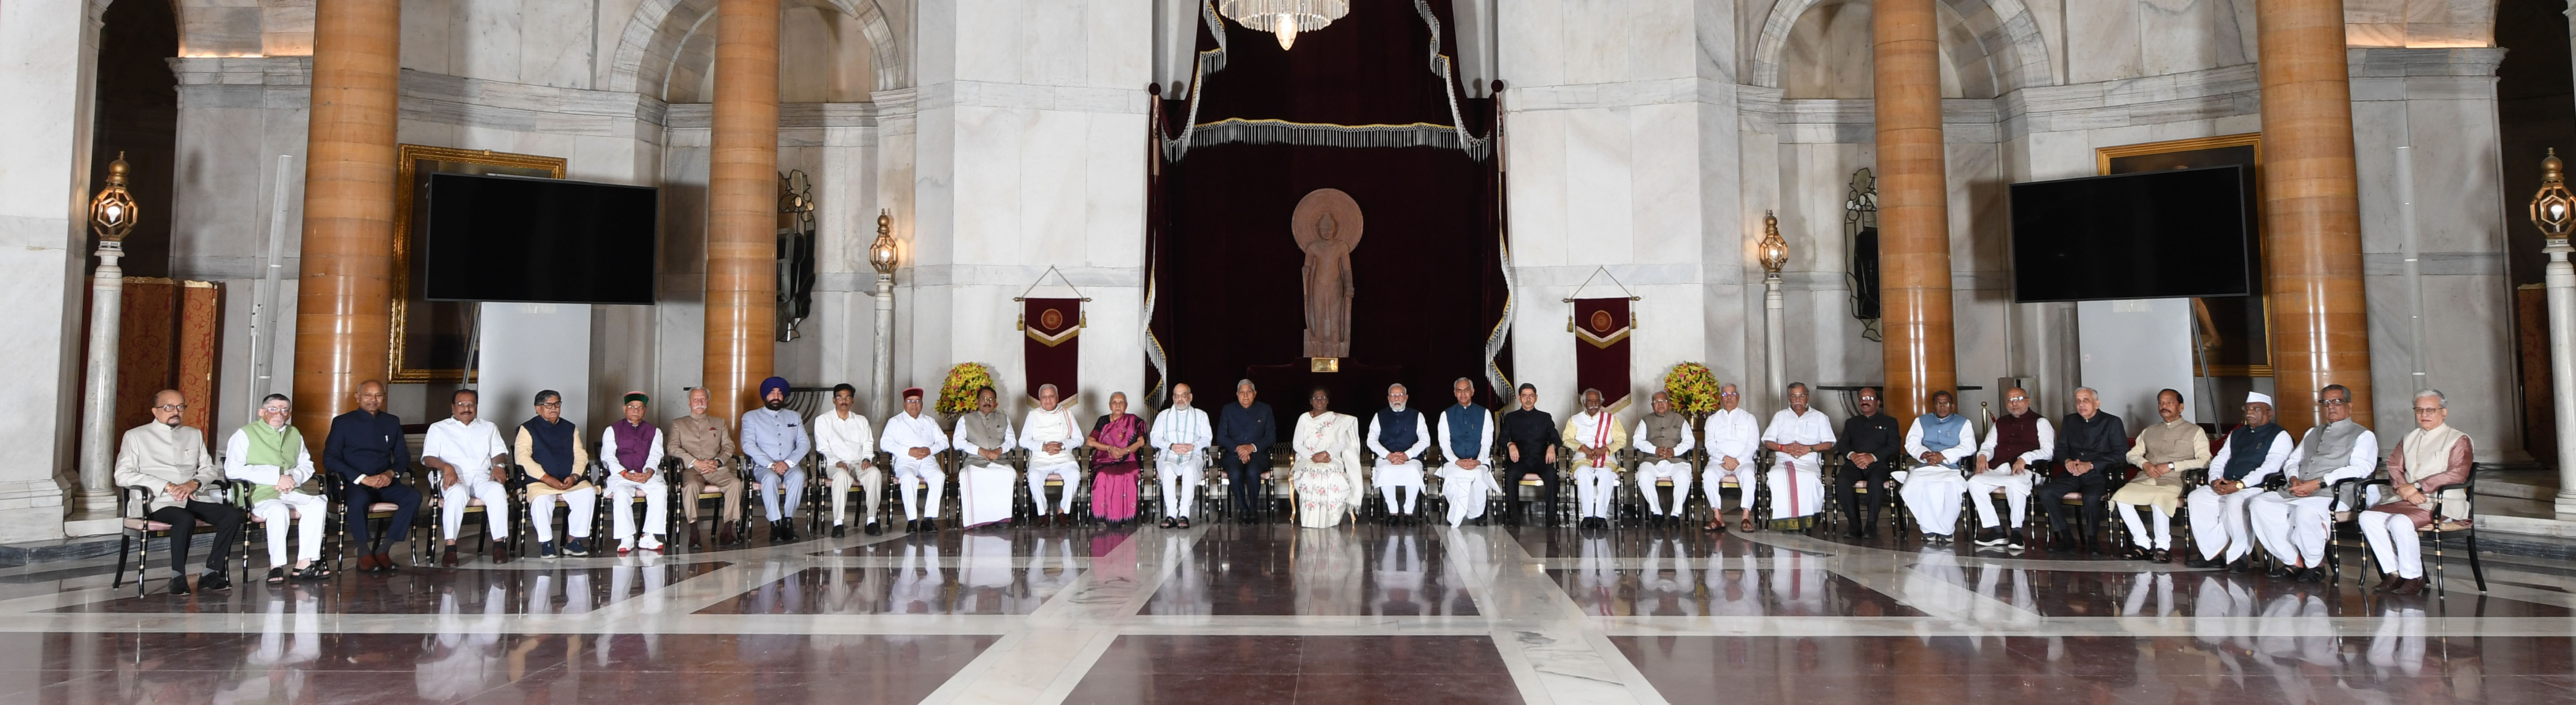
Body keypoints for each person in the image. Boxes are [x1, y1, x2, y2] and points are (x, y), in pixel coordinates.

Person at [117, 389, 241, 594]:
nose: (176, 412)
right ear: (155, 412)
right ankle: (178, 577)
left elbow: (209, 469)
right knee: (184, 520)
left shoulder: (194, 434)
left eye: (180, 407)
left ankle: (211, 573)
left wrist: (194, 483)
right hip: (158, 501)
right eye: (169, 407)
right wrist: (166, 486)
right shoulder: (136, 436)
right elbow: (123, 475)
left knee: (233, 516)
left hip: (193, 496)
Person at [2250, 384, 2377, 583]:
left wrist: (2318, 483)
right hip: (2296, 489)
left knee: (2305, 512)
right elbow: (2293, 461)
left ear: (2349, 406)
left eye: (2337, 402)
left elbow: (2362, 469)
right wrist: (2293, 478)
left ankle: (2314, 564)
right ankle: (2293, 561)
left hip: (2333, 494)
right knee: (2259, 504)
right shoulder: (2313, 432)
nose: (2331, 407)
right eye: (2326, 403)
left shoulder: (2363, 435)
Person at [2360, 389, 2472, 595]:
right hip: (2408, 499)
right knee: (2368, 517)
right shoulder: (2409, 438)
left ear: (2444, 412)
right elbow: (2394, 467)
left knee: (2399, 522)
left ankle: (2413, 577)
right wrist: (2405, 491)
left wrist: (2418, 486)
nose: (2425, 415)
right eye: (2419, 410)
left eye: (2431, 410)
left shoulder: (2458, 439)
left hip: (2442, 501)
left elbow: (2458, 474)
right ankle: (2394, 573)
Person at [226, 394, 329, 583]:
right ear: (262, 412)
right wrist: (275, 477)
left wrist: (292, 478)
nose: (279, 414)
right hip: (257, 494)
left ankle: (304, 564)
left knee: (318, 505)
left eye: (284, 410)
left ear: (289, 414)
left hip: (290, 491)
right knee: (278, 510)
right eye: (273, 409)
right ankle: (277, 566)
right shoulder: (245, 433)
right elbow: (232, 470)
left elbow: (307, 465)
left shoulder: (294, 433)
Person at [2183, 392, 2292, 571]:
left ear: (2270, 413)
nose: (2250, 412)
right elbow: (2220, 459)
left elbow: (2271, 468)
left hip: (2257, 488)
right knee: (2197, 497)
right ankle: (2212, 554)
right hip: (2227, 484)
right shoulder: (2238, 434)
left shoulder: (2280, 436)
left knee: (2235, 501)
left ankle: (2239, 556)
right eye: (2248, 408)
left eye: (2257, 409)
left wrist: (2241, 484)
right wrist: (2215, 480)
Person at [324, 380, 418, 574]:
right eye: (368, 395)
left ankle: (384, 549)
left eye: (378, 396)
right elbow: (330, 459)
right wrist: (361, 478)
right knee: (359, 500)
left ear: (383, 398)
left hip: (385, 482)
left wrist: (391, 473)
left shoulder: (392, 422)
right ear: (358, 398)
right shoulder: (343, 422)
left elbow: (403, 457)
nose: (373, 400)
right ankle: (364, 552)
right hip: (354, 484)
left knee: (413, 497)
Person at [2113, 389, 2209, 563]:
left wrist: (2173, 466)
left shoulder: (2195, 431)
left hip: (2176, 480)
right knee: (2121, 497)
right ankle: (2143, 544)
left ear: (2181, 407)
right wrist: (2145, 464)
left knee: (2161, 500)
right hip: (2147, 478)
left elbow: (2204, 461)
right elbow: (2132, 455)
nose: (2164, 406)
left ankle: (2163, 548)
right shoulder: (2150, 430)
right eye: (2161, 403)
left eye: (2169, 403)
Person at [423, 389, 511, 565]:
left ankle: (499, 545)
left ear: (476, 407)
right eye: (462, 404)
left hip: (481, 475)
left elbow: (500, 452)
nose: (467, 408)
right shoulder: (439, 428)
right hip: (453, 476)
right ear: (453, 407)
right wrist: (446, 467)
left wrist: (499, 466)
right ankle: (450, 548)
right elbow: (428, 458)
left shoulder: (488, 427)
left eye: (471, 404)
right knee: (456, 494)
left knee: (497, 491)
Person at [2037, 387, 2126, 553]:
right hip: (2073, 473)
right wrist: (2067, 461)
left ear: (2097, 404)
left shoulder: (2112, 422)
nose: (2081, 405)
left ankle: (2093, 541)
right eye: (2078, 401)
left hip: (2098, 474)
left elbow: (2121, 455)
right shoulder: (2070, 421)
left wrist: (2091, 465)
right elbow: (2061, 449)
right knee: (2047, 492)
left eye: (2086, 401)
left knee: (2092, 497)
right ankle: (2067, 539)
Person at [1969, 387, 2052, 550]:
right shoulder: (2001, 422)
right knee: (1974, 482)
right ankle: (1996, 530)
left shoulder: (2041, 422)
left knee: (2016, 485)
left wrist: (2025, 458)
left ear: (2028, 401)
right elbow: (1989, 445)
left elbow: (2049, 452)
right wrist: (1983, 456)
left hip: (2028, 470)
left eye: (2019, 399)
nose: (2015, 403)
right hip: (2000, 468)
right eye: (2010, 400)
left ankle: (2017, 532)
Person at [516, 389, 595, 558]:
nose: (554, 408)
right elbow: (522, 458)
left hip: (569, 479)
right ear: (538, 409)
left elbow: (580, 454)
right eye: (548, 405)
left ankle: (574, 541)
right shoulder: (527, 429)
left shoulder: (570, 428)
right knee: (541, 500)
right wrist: (546, 478)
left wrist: (575, 476)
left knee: (587, 493)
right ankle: (547, 543)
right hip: (539, 481)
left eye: (557, 404)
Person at [667, 387, 745, 548]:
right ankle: (694, 531)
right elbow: (672, 448)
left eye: (703, 399)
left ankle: (727, 530)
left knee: (735, 484)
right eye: (696, 400)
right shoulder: (679, 424)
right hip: (691, 469)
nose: (700, 403)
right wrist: (695, 462)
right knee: (690, 486)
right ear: (689, 403)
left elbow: (729, 446)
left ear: (708, 402)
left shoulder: (719, 422)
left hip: (716, 468)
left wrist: (718, 461)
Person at [741, 376, 812, 542]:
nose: (776, 396)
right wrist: (771, 465)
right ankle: (775, 524)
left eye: (780, 393)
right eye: (772, 393)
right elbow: (748, 445)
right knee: (770, 478)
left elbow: (804, 444)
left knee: (799, 476)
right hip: (762, 466)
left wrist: (787, 464)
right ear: (765, 395)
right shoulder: (751, 417)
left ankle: (788, 521)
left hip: (788, 465)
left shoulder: (794, 417)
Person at [599, 392, 670, 553]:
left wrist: (649, 472)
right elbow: (608, 457)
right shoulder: (612, 430)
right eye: (632, 407)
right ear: (625, 409)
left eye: (640, 408)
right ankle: (627, 538)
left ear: (645, 410)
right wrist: (625, 474)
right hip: (622, 475)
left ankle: (649, 536)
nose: (635, 410)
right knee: (622, 494)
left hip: (646, 475)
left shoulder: (655, 431)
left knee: (660, 490)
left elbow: (656, 455)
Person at [1900, 390, 1975, 542]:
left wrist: (1944, 456)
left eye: (1946, 403)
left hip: (1951, 467)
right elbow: (1912, 443)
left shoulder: (1963, 423)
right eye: (1939, 403)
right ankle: (1927, 529)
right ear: (1934, 406)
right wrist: (1925, 454)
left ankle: (1947, 530)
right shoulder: (1921, 421)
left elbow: (1970, 446)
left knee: (1951, 490)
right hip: (1925, 467)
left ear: (1952, 406)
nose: (1942, 407)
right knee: (1913, 488)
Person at [1760, 383, 1836, 531]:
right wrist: (1784, 448)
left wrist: (1810, 448)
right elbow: (1768, 441)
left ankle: (1806, 522)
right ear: (1789, 398)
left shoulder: (1820, 417)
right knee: (1776, 476)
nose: (1798, 400)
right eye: (1794, 396)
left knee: (1809, 478)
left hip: (1809, 461)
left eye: (1801, 396)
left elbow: (1829, 443)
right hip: (1785, 461)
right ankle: (1786, 523)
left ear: (1807, 397)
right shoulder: (1780, 416)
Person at [812, 383, 881, 538]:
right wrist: (836, 461)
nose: (844, 401)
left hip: (858, 463)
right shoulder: (823, 420)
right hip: (834, 464)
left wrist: (866, 458)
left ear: (853, 401)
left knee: (875, 473)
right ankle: (838, 524)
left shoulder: (861, 421)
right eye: (840, 397)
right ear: (834, 400)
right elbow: (822, 447)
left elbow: (868, 444)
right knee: (841, 476)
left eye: (848, 397)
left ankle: (871, 521)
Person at [1290, 387, 1363, 528]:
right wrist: (1313, 456)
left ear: (1328, 400)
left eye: (1323, 397)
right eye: (1316, 398)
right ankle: (1310, 520)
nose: (1320, 400)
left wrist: (1326, 454)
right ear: (1311, 401)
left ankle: (1331, 519)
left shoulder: (1338, 420)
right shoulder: (1304, 418)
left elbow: (1341, 443)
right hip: (1307, 457)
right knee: (1311, 476)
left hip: (1331, 458)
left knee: (1331, 474)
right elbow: (1297, 444)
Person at [879, 387, 950, 532]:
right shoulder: (895, 422)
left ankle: (928, 519)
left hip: (927, 460)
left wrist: (930, 450)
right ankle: (912, 520)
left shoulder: (930, 421)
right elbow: (885, 444)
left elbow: (944, 442)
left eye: (917, 401)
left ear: (922, 404)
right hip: (905, 460)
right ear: (904, 404)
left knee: (939, 476)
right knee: (908, 478)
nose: (914, 405)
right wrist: (908, 451)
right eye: (910, 401)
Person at [1835, 387, 1901, 538]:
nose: (1866, 402)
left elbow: (1894, 446)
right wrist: (1853, 456)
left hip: (1879, 465)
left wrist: (1873, 457)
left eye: (1870, 399)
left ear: (1878, 403)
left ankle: (1871, 525)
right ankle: (1854, 525)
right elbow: (1843, 444)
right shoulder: (1851, 423)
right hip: (1854, 464)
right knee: (1842, 481)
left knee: (1876, 481)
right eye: (1863, 399)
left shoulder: (1890, 422)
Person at [951, 387, 1020, 528]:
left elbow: (1012, 441)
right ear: (977, 402)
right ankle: (976, 520)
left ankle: (1002, 519)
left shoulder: (1004, 418)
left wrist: (1000, 450)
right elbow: (957, 443)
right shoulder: (966, 420)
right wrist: (979, 450)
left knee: (1009, 474)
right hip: (975, 461)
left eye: (991, 400)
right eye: (984, 399)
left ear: (996, 403)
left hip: (1000, 461)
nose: (987, 402)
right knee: (969, 476)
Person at [1019, 383, 1087, 525]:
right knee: (1034, 476)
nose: (1048, 400)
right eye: (1045, 397)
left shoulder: (1068, 414)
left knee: (1074, 475)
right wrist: (1042, 446)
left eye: (1051, 396)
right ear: (1040, 399)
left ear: (1058, 398)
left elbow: (1079, 439)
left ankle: (1063, 510)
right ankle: (1043, 511)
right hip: (1040, 458)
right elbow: (1023, 441)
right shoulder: (1033, 416)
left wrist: (1061, 445)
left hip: (1064, 457)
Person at [1438, 378, 1500, 527]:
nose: (1463, 394)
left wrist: (1478, 461)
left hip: (1479, 461)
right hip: (1454, 462)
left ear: (1472, 392)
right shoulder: (1446, 415)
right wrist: (1457, 461)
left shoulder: (1484, 414)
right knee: (1454, 476)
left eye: (1466, 390)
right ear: (1455, 393)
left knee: (1478, 476)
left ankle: (1478, 514)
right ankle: (1454, 514)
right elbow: (1445, 445)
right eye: (1459, 391)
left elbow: (1487, 443)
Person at [1367, 383, 1432, 525]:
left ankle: (1409, 511)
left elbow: (1426, 440)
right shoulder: (1379, 416)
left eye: (1400, 395)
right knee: (1385, 470)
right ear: (1389, 398)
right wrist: (1388, 455)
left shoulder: (1417, 416)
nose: (1397, 398)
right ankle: (1393, 511)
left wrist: (1407, 455)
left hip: (1411, 458)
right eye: (1393, 395)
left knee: (1413, 471)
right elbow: (1371, 440)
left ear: (1406, 397)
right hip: (1387, 458)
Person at [1562, 388, 1627, 529]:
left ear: (1601, 402)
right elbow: (1566, 439)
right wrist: (1583, 447)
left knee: (1606, 474)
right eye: (1590, 400)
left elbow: (1622, 440)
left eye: (1597, 400)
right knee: (1584, 473)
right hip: (1582, 459)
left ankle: (1601, 517)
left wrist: (1606, 448)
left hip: (1607, 460)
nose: (1594, 403)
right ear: (1584, 403)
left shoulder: (1611, 420)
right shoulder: (1575, 420)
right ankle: (1588, 517)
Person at [1700, 383, 1761, 532]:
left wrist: (1738, 461)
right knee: (1708, 474)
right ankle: (1718, 515)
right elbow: (1709, 445)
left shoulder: (1749, 418)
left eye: (1733, 394)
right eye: (1725, 395)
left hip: (1744, 461)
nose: (1729, 398)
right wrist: (1725, 458)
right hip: (1719, 461)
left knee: (1748, 475)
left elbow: (1753, 444)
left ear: (1738, 397)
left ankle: (1746, 517)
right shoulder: (1712, 420)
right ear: (1721, 398)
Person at [1215, 380, 1279, 523]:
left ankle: (1254, 508)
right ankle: (1243, 508)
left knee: (1252, 472)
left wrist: (1252, 447)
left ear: (1255, 394)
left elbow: (1271, 437)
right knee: (1235, 473)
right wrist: (1240, 449)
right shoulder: (1228, 410)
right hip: (1234, 455)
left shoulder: (1265, 410)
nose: (1245, 396)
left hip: (1259, 455)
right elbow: (1222, 437)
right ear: (1237, 394)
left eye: (1249, 392)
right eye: (1242, 393)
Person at [1150, 383, 1211, 529]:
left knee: (1190, 470)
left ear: (1190, 397)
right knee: (1168, 471)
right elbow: (1154, 439)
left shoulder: (1201, 415)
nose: (1180, 399)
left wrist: (1193, 446)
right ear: (1173, 398)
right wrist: (1170, 446)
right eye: (1177, 396)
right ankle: (1171, 515)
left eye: (1183, 395)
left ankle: (1184, 515)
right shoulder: (1163, 416)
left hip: (1193, 455)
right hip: (1168, 455)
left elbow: (1208, 439)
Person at [1631, 391, 1695, 525]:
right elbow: (1637, 441)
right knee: (1643, 476)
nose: (1660, 404)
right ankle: (1657, 512)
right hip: (1652, 460)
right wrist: (1654, 450)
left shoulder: (1680, 419)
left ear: (1669, 403)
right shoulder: (1646, 420)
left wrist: (1675, 451)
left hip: (1676, 460)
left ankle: (1675, 514)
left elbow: (1690, 441)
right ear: (1652, 405)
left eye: (1663, 401)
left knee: (1684, 476)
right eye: (1656, 402)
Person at [1501, 383, 1560, 526]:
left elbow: (1556, 438)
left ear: (1536, 398)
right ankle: (1513, 516)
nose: (1528, 399)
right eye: (1525, 396)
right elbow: (1501, 439)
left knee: (1552, 475)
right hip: (1519, 460)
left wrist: (1552, 446)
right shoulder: (1511, 418)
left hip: (1540, 459)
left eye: (1531, 396)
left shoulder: (1545, 418)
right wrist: (1511, 445)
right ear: (1519, 398)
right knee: (1511, 474)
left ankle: (1551, 517)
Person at [1086, 391, 1148, 525]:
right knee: (1103, 476)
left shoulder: (1134, 421)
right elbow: (1090, 442)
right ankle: (1102, 517)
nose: (1118, 405)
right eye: (1115, 402)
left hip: (1128, 459)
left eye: (1121, 402)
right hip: (1106, 460)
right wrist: (1109, 449)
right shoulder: (1103, 421)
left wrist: (1125, 451)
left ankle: (1127, 517)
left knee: (1129, 475)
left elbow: (1141, 442)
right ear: (1110, 406)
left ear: (1126, 406)